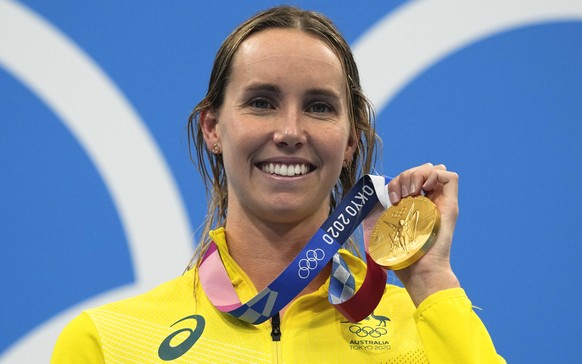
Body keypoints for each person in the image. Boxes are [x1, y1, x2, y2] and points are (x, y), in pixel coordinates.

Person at [52, 5, 505, 363]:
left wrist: (430, 280)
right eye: (262, 102)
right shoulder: (110, 343)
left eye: (320, 107)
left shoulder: (424, 329)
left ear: (351, 141)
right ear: (212, 127)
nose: (290, 131)